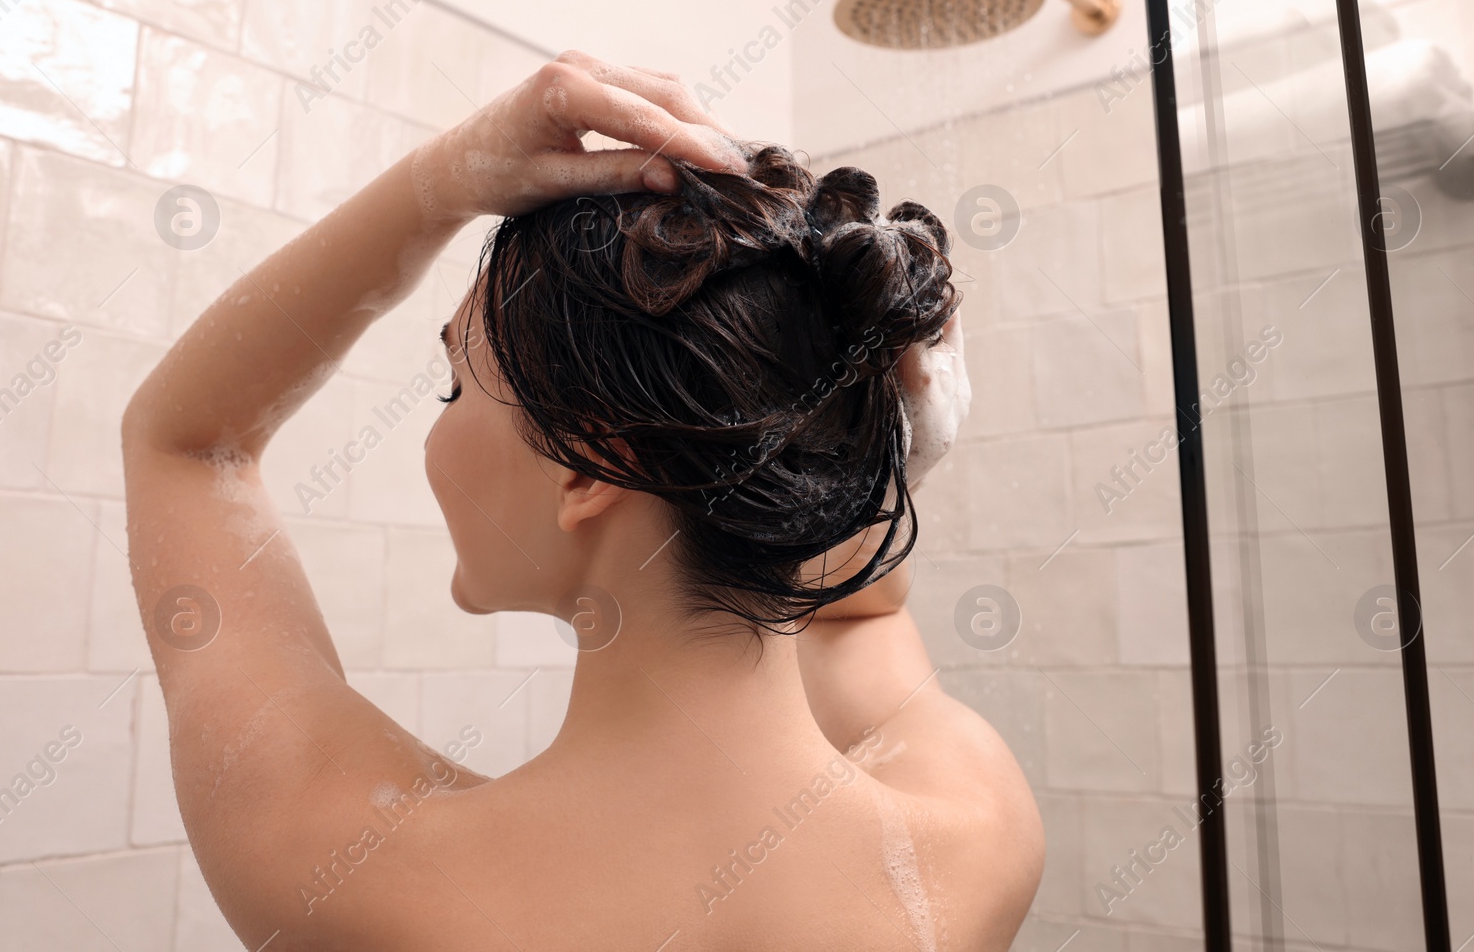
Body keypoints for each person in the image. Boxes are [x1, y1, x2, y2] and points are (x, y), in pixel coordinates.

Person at [121, 50, 1042, 951]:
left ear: (587, 465)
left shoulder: (351, 872)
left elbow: (187, 444)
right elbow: (860, 612)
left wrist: (441, 182)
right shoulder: (970, 832)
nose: (436, 434)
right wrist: (839, 429)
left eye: (455, 388)